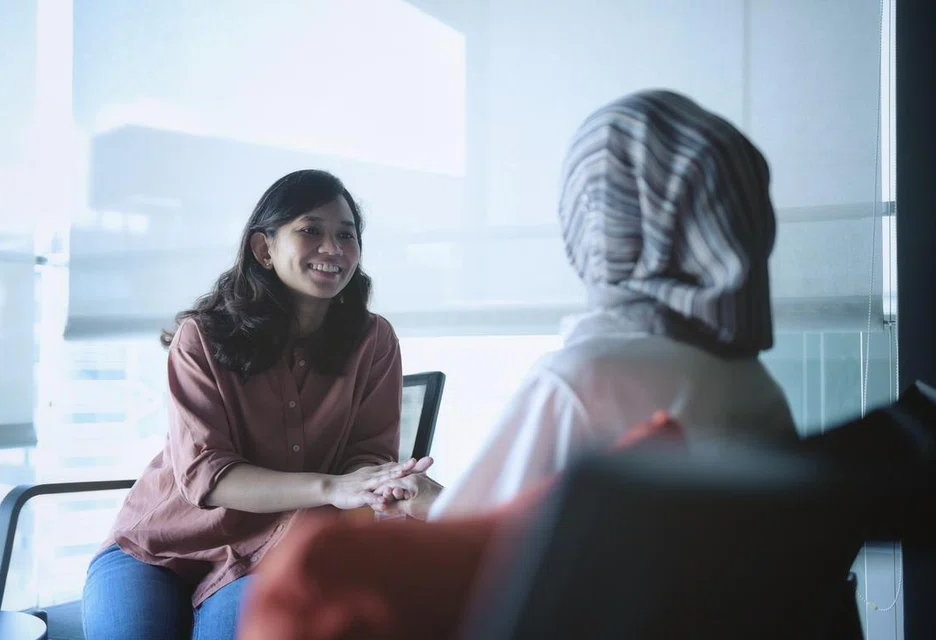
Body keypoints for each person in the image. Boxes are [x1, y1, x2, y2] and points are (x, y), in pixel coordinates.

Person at [373, 89, 796, 522]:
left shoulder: (583, 379)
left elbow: (469, 545)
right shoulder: (758, 387)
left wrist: (433, 508)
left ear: (601, 219)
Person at [81, 169, 431, 640]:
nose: (334, 249)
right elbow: (207, 474)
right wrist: (331, 487)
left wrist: (379, 484)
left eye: (347, 236)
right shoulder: (200, 337)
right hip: (160, 547)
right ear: (264, 249)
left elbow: (365, 458)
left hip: (278, 553)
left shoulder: (373, 340)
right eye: (311, 231)